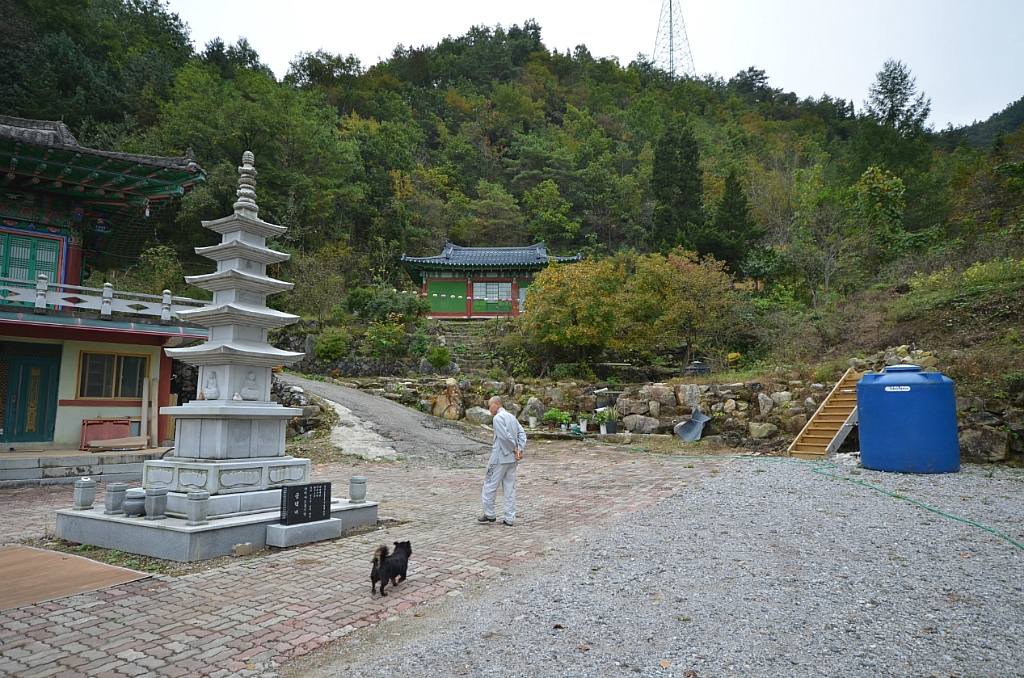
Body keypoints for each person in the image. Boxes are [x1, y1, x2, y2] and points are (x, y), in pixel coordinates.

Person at [479, 395, 526, 526]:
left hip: (500, 457)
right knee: (509, 488)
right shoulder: (511, 417)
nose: (489, 408)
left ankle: (489, 513)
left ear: (497, 405)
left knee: (489, 485)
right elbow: (522, 433)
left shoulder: (498, 418)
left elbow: (504, 436)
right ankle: (510, 517)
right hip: (512, 459)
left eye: (490, 406)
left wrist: (515, 449)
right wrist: (520, 448)